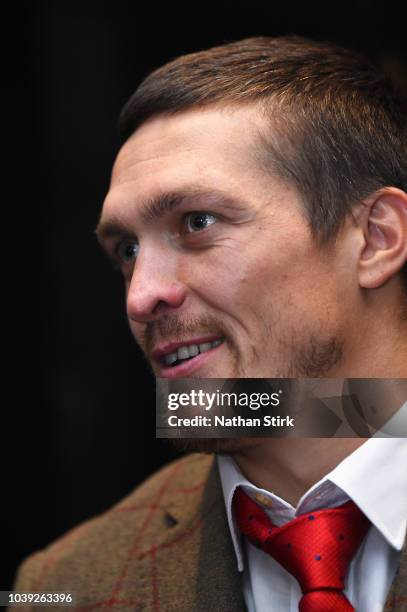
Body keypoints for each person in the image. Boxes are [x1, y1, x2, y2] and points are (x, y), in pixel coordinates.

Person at [14, 36, 407, 611]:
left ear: (376, 239)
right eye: (126, 251)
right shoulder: (66, 584)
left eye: (198, 222)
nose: (141, 295)